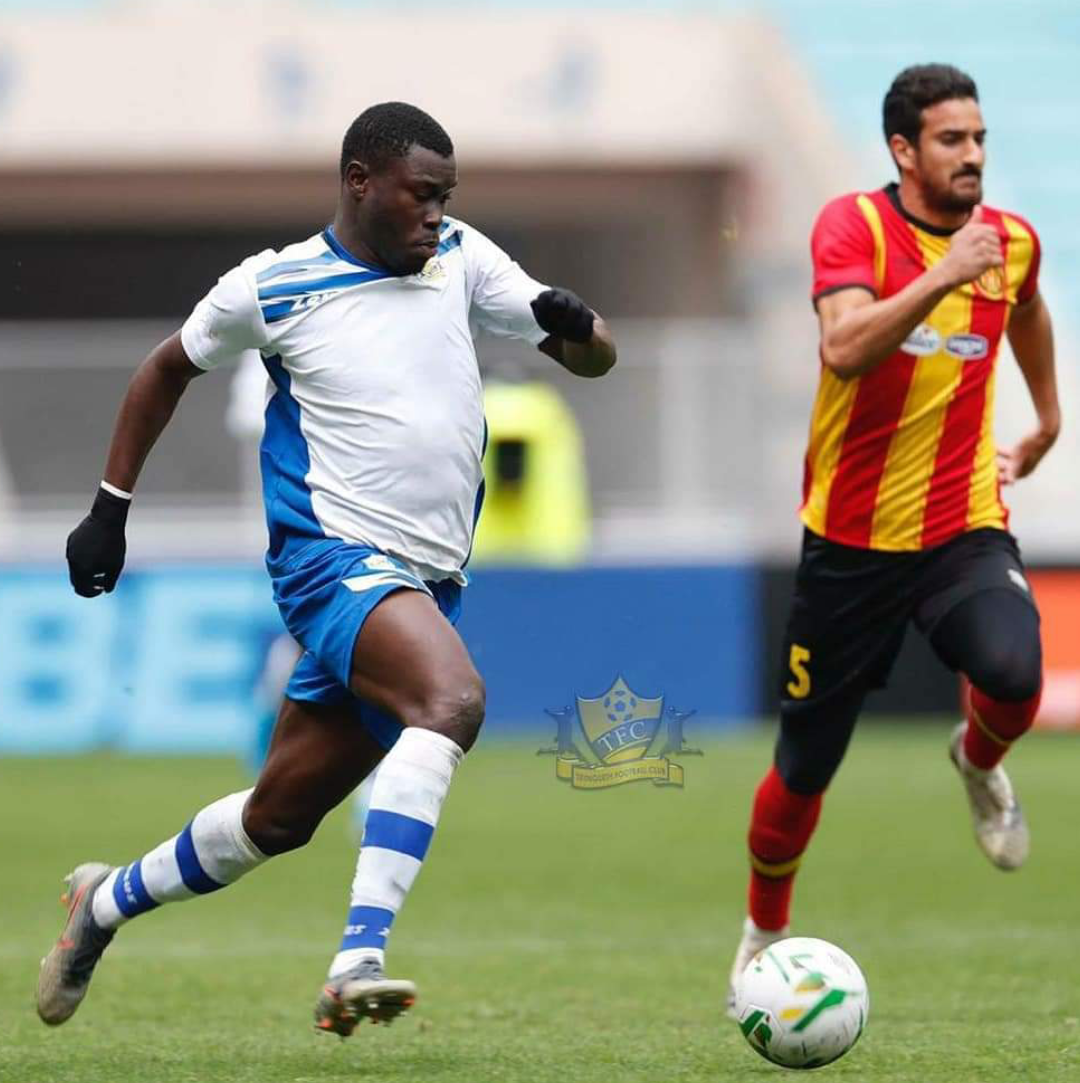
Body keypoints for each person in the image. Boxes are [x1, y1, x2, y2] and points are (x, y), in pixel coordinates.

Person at [38, 101, 615, 1036]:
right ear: (360, 183)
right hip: (331, 561)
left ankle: (100, 906)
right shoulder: (274, 286)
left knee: (276, 819)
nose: (437, 213)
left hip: (426, 581)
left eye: (446, 196)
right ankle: (358, 958)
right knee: (453, 704)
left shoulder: (464, 257)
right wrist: (111, 508)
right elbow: (163, 369)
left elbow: (595, 358)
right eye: (422, 195)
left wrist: (578, 327)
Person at [727, 64, 1059, 1007]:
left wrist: (1046, 419)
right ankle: (763, 929)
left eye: (982, 139)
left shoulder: (1013, 244)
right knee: (803, 769)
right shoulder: (854, 227)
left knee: (1014, 674)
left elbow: (1027, 306)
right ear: (904, 151)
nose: (974, 157)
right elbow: (842, 345)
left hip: (963, 528)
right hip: (849, 544)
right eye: (953, 140)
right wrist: (946, 275)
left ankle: (977, 760)